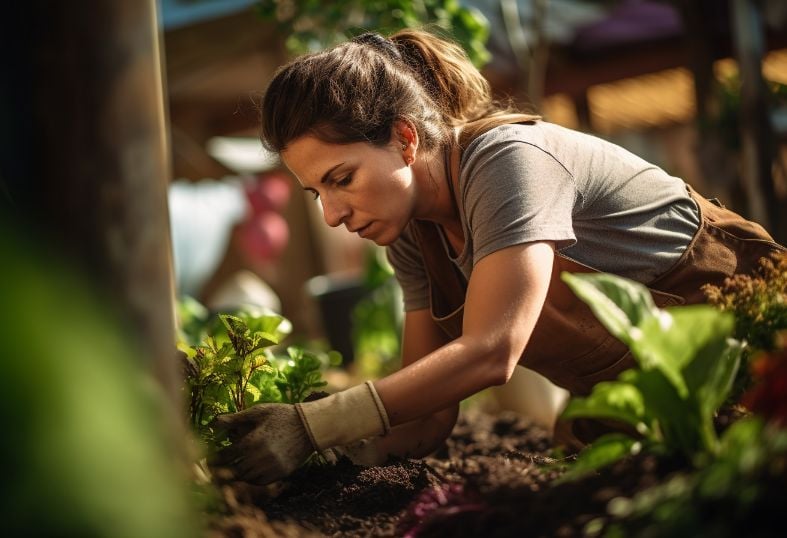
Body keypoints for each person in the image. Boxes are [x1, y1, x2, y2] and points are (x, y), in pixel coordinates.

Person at [212, 29, 785, 485]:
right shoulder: (414, 236)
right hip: (645, 396)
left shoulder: (509, 160)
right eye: (318, 193)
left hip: (756, 351)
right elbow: (429, 416)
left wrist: (314, 426)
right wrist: (311, 461)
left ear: (405, 139)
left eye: (342, 178)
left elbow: (491, 352)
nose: (333, 213)